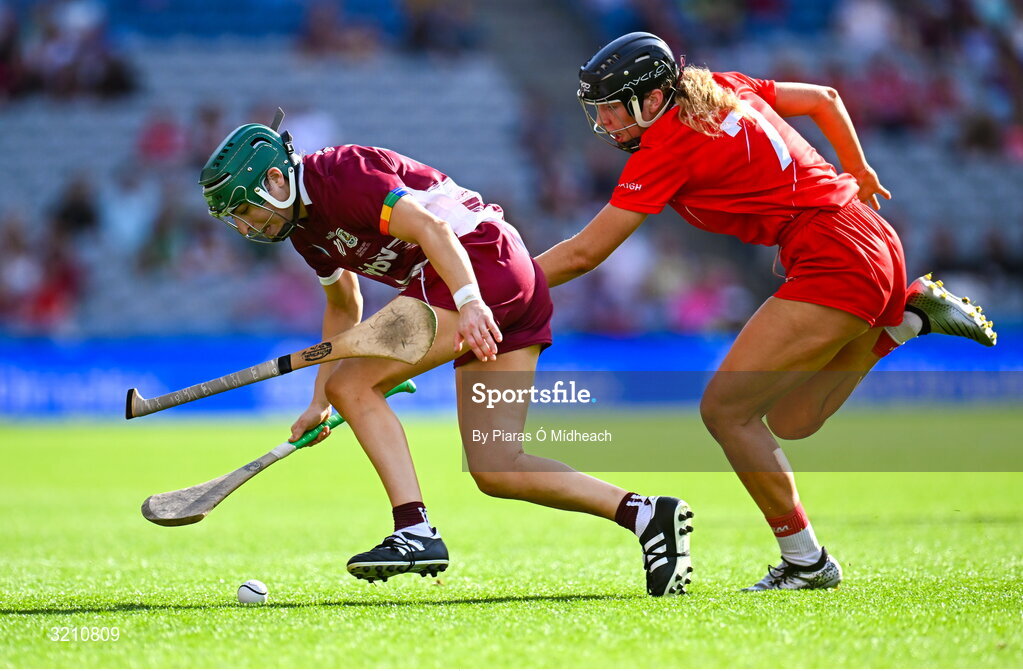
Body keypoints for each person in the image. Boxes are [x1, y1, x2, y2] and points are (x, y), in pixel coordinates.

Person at [535, 32, 997, 591]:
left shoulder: (666, 144)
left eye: (612, 106)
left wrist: (499, 282)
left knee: (725, 411)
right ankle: (903, 323)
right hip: (864, 238)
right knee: (792, 421)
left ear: (652, 99)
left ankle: (807, 562)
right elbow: (825, 98)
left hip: (836, 255)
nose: (604, 121)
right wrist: (859, 170)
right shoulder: (721, 86)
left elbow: (584, 253)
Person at [197, 113, 695, 596]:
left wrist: (470, 302)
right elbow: (344, 306)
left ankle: (413, 529)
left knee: (353, 384)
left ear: (275, 180)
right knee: (497, 466)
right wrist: (319, 400)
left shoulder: (341, 174)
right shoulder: (304, 231)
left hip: (478, 267)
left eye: (244, 209)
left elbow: (433, 229)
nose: (244, 226)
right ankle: (647, 515)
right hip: (497, 279)